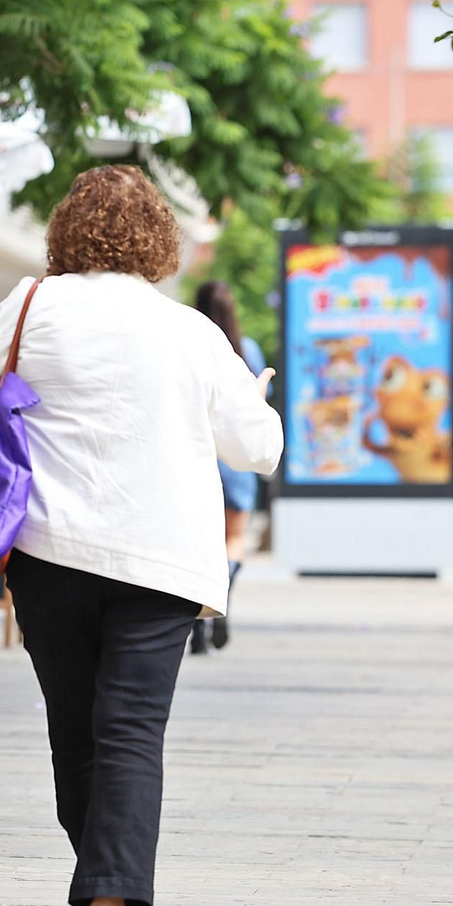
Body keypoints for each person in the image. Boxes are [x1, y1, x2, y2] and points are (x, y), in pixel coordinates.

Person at [0, 166, 281, 906]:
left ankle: (102, 877)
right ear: (158, 239)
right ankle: (108, 900)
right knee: (130, 731)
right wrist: (256, 390)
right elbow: (260, 451)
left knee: (75, 729)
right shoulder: (191, 333)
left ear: (66, 231)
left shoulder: (29, 305)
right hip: (161, 562)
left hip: (52, 554)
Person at [190, 280, 269, 654]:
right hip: (234, 462)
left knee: (196, 543)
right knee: (233, 540)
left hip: (197, 457)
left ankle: (196, 623)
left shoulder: (187, 343)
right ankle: (225, 595)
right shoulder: (246, 350)